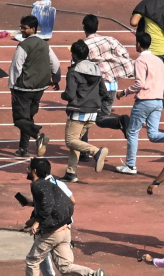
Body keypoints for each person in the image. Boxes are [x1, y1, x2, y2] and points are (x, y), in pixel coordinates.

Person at [20, 159, 106, 276]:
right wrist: (35, 218)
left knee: (32, 261)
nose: (27, 171)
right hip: (65, 230)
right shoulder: (54, 184)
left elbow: (47, 205)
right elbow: (66, 202)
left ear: (34, 171)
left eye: (28, 168)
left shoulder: (37, 185)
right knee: (65, 266)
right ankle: (92, 275)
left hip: (51, 233)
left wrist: (37, 222)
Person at [79, 15, 133, 153]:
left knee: (84, 118)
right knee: (101, 118)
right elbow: (125, 55)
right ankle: (119, 121)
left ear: (83, 27)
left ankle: (84, 152)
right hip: (112, 87)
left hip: (96, 88)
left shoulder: (83, 46)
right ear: (98, 27)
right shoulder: (111, 40)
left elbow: (79, 67)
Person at [8, 15, 60, 158]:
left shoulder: (23, 46)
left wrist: (12, 86)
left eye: (24, 28)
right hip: (39, 88)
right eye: (21, 27)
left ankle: (38, 136)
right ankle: (23, 148)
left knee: (20, 119)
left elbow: (16, 67)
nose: (21, 31)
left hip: (23, 88)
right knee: (28, 118)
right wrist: (56, 79)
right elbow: (55, 63)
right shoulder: (45, 44)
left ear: (33, 29)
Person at [60, 41, 111, 181]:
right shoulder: (96, 69)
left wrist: (62, 95)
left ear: (75, 55)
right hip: (92, 112)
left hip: (78, 111)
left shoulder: (73, 71)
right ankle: (71, 172)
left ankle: (96, 152)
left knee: (70, 141)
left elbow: (70, 94)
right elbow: (104, 92)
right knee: (76, 142)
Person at [115, 32, 164, 176]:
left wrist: (124, 92)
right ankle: (130, 165)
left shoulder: (140, 61)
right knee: (153, 135)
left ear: (138, 44)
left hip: (144, 101)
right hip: (158, 101)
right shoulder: (159, 61)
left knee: (132, 132)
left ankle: (130, 165)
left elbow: (140, 83)